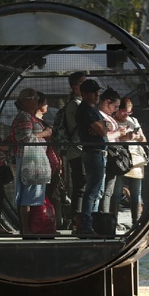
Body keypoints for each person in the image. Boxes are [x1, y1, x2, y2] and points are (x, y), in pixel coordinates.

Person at [11, 88, 51, 235]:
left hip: (33, 158)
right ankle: (27, 229)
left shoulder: (29, 116)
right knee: (28, 193)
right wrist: (45, 133)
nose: (36, 101)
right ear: (24, 101)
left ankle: (32, 228)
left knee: (31, 192)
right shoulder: (25, 117)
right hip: (29, 159)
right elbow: (26, 138)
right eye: (33, 98)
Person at [74, 79, 108, 235]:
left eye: (97, 92)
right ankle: (86, 224)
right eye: (93, 92)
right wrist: (102, 126)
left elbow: (106, 127)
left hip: (98, 153)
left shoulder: (93, 109)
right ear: (84, 94)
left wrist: (102, 125)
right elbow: (103, 130)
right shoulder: (85, 110)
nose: (97, 95)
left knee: (95, 191)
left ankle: (90, 222)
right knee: (92, 191)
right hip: (93, 153)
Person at [112, 97, 148, 227]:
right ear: (118, 109)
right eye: (124, 112)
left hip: (135, 160)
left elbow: (144, 140)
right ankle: (113, 220)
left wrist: (138, 136)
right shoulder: (112, 121)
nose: (126, 115)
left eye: (129, 112)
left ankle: (136, 221)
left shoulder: (133, 121)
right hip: (120, 160)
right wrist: (124, 137)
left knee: (136, 192)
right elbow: (109, 138)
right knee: (116, 192)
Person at [62, 71, 87, 229]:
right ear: (74, 87)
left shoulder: (78, 103)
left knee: (81, 186)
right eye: (82, 83)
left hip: (79, 150)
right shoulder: (75, 104)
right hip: (78, 150)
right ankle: (77, 220)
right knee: (80, 186)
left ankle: (79, 219)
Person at [97, 88, 122, 215]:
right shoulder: (100, 115)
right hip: (106, 155)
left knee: (108, 190)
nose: (116, 110)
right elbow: (104, 137)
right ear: (107, 102)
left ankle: (105, 215)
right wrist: (119, 133)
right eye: (115, 106)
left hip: (112, 155)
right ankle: (104, 216)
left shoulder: (107, 116)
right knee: (105, 190)